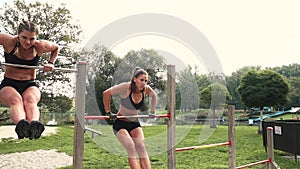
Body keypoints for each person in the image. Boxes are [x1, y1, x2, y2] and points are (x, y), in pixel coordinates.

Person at [0, 20, 59, 139]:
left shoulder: (40, 46)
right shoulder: (9, 41)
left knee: (30, 100)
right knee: (15, 100)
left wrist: (51, 63)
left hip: (29, 84)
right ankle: (22, 125)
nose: (28, 42)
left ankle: (34, 125)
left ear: (36, 38)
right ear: (18, 35)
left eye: (32, 39)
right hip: (9, 83)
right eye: (24, 37)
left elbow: (56, 48)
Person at [103, 67, 157, 169]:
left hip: (134, 123)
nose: (144, 83)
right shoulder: (126, 87)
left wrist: (152, 111)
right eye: (141, 80)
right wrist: (108, 112)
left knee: (141, 147)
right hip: (120, 123)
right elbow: (106, 93)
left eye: (145, 81)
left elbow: (154, 96)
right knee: (131, 147)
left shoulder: (146, 89)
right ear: (134, 79)